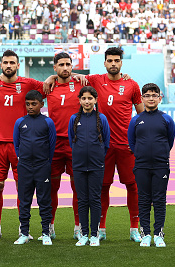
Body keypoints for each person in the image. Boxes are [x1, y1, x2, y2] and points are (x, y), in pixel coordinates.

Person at [0, 50, 45, 240]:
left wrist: (55, 75)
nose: (8, 65)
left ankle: (24, 229)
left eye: (12, 63)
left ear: (17, 65)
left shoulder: (28, 83)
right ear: (1, 65)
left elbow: (49, 87)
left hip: (21, 144)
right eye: (5, 62)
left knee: (22, 187)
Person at [83, 47, 143, 241]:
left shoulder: (132, 84)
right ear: (105, 62)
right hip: (103, 145)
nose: (113, 63)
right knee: (103, 186)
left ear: (121, 62)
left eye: (117, 60)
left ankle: (134, 228)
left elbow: (142, 115)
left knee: (132, 186)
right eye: (110, 60)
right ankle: (101, 229)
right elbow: (72, 77)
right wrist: (50, 79)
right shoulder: (95, 80)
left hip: (126, 145)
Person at [128, 83, 175, 248]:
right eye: (147, 95)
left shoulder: (166, 119)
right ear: (142, 99)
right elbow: (132, 143)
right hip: (141, 166)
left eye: (154, 95)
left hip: (161, 166)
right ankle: (146, 234)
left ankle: (158, 235)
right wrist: (142, 155)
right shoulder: (136, 120)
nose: (150, 98)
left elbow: (169, 142)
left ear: (159, 98)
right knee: (144, 200)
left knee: (160, 200)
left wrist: (159, 155)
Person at [12, 90, 56, 245]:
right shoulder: (20, 122)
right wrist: (23, 159)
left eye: (34, 104)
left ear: (41, 104)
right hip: (24, 166)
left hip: (42, 166)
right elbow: (16, 144)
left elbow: (51, 145)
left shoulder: (47, 122)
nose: (30, 107)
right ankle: (24, 233)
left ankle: (45, 234)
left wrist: (44, 162)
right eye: (28, 104)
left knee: (44, 200)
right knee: (24, 200)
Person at [45, 52, 81, 238]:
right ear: (55, 67)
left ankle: (78, 226)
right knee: (52, 188)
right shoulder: (47, 86)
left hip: (76, 143)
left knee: (78, 187)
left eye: (68, 64)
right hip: (54, 144)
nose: (65, 68)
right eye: (61, 64)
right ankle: (49, 226)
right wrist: (50, 78)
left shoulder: (83, 83)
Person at [68, 86, 110, 247]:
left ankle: (95, 234)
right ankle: (84, 234)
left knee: (95, 199)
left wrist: (96, 156)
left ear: (95, 100)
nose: (87, 101)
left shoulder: (102, 119)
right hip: (78, 166)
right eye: (84, 98)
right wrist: (80, 156)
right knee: (82, 200)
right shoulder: (74, 119)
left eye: (90, 98)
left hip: (96, 165)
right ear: (79, 100)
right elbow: (72, 140)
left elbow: (106, 143)